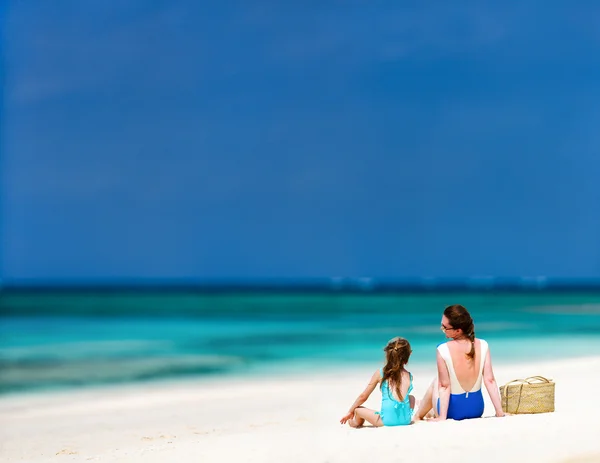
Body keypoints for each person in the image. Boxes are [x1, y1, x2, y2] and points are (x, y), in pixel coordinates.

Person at [414, 304, 505, 421]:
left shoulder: (443, 349)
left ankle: (418, 415)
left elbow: (444, 386)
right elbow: (490, 380)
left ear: (458, 330)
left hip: (453, 411)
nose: (442, 330)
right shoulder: (483, 345)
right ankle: (426, 409)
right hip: (476, 409)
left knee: (437, 381)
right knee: (439, 385)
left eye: (445, 328)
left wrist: (442, 417)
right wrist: (499, 412)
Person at [340, 337, 416, 427]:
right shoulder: (409, 376)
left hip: (386, 421)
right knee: (411, 397)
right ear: (408, 356)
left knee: (357, 409)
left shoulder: (381, 373)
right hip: (405, 420)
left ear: (388, 354)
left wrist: (350, 411)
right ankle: (403, 416)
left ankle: (354, 423)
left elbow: (363, 397)